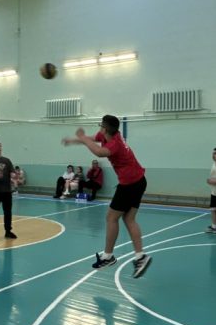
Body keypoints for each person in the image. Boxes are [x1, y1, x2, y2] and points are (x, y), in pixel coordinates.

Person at [62, 114, 151, 278]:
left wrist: (82, 137)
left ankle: (108, 256)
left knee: (111, 217)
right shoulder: (108, 135)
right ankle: (141, 256)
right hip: (139, 180)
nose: (99, 128)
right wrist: (73, 140)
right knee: (129, 219)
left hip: (130, 184)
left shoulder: (115, 143)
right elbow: (91, 139)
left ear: (105, 128)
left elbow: (99, 152)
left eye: (101, 125)